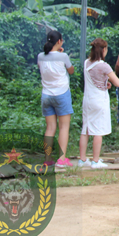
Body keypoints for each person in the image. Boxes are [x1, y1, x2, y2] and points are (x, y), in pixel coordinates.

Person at [79, 38, 119, 169]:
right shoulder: (104, 66)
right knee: (98, 130)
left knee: (85, 129)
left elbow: (94, 80)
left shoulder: (87, 63)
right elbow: (118, 83)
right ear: (103, 50)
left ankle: (82, 160)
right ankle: (95, 161)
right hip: (99, 101)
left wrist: (104, 83)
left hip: (87, 100)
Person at [37, 31, 74, 168]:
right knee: (64, 127)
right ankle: (61, 158)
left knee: (50, 128)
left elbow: (42, 67)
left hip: (46, 95)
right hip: (62, 94)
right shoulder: (63, 56)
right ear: (59, 41)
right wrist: (60, 53)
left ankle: (47, 159)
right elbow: (71, 71)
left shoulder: (40, 56)